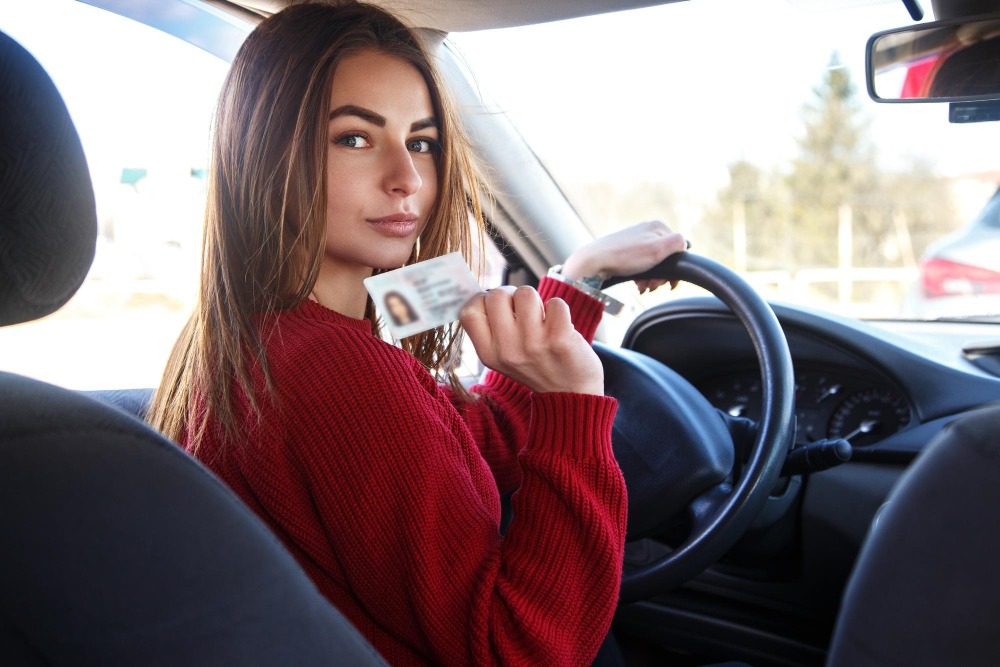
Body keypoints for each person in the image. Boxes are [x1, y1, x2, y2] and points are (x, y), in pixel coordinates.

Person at [148, 2, 685, 665]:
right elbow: (519, 650)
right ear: (266, 152)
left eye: (422, 141)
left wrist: (579, 277)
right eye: (354, 137)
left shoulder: (259, 332)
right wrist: (578, 397)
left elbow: (472, 441)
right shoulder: (338, 367)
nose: (407, 179)